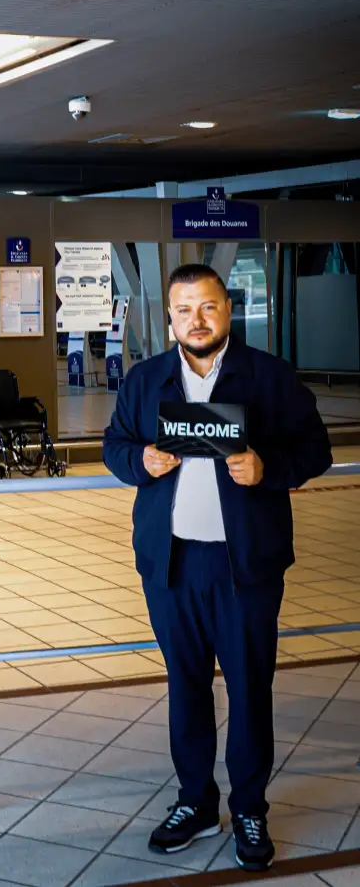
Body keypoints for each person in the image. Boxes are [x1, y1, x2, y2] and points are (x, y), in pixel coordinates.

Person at [103, 264, 332, 873]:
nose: (195, 321)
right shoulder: (147, 379)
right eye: (183, 310)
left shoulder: (269, 377)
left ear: (227, 308)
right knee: (186, 686)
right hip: (171, 563)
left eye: (206, 307)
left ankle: (250, 806)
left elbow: (316, 449)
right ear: (169, 316)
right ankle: (197, 803)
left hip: (246, 566)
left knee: (251, 688)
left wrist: (268, 469)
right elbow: (113, 443)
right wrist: (139, 460)